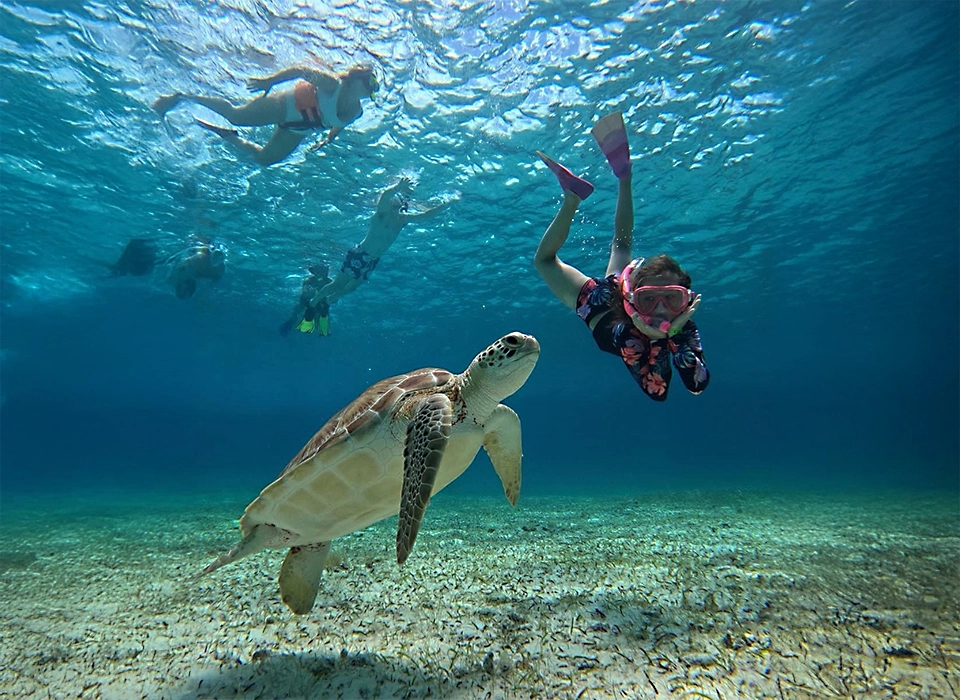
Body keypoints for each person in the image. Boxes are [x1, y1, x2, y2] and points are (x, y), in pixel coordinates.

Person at [533, 111, 710, 401]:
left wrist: (672, 333)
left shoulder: (682, 323)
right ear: (633, 297)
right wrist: (666, 336)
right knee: (552, 260)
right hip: (598, 301)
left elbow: (695, 385)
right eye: (649, 299)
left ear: (686, 300)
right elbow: (658, 391)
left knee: (621, 245)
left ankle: (613, 181)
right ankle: (579, 197)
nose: (662, 310)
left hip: (617, 287)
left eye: (672, 298)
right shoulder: (631, 336)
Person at [151, 63, 379, 166]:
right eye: (370, 83)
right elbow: (300, 70)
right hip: (286, 106)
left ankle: (227, 135)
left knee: (264, 159)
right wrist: (269, 81)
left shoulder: (356, 112)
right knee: (237, 115)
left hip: (299, 130)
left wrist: (329, 139)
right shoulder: (332, 84)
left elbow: (339, 125)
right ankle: (182, 96)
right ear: (356, 77)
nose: (371, 90)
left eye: (373, 89)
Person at [306, 177, 453, 333]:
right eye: (398, 198)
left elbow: (425, 216)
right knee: (338, 284)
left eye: (403, 200)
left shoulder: (403, 220)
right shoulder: (381, 213)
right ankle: (313, 302)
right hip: (360, 254)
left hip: (372, 261)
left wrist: (446, 205)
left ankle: (328, 301)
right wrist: (397, 186)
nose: (401, 201)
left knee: (352, 288)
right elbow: (384, 197)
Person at [279, 264, 333, 337]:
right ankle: (291, 323)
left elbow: (334, 296)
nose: (319, 274)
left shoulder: (330, 282)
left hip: (321, 303)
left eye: (322, 271)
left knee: (320, 315)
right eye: (317, 271)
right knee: (297, 312)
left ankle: (319, 329)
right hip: (305, 301)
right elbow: (305, 293)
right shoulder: (309, 280)